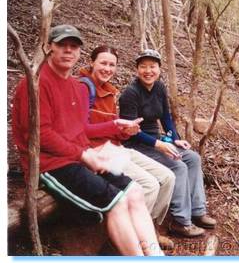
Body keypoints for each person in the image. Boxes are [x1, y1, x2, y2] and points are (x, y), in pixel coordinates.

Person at [11, 25, 164, 255]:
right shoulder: (34, 84)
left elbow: (80, 128)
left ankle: (155, 254)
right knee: (117, 202)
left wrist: (115, 126)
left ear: (80, 52)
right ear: (49, 47)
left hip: (77, 158)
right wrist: (84, 155)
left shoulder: (76, 87)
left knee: (135, 192)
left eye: (74, 46)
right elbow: (41, 135)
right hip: (50, 165)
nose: (68, 51)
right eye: (62, 45)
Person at [79, 45, 176, 249]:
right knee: (149, 185)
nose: (107, 68)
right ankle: (133, 239)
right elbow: (80, 130)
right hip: (97, 152)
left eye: (112, 64)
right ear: (92, 62)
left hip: (116, 147)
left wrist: (126, 131)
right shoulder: (84, 88)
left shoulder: (109, 91)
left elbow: (115, 129)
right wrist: (115, 126)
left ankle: (150, 228)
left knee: (168, 178)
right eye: (103, 63)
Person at [119, 49, 216, 237]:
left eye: (152, 66)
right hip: (137, 145)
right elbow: (131, 132)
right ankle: (181, 221)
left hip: (158, 141)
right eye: (143, 66)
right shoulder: (130, 94)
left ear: (159, 69)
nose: (148, 71)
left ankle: (197, 210)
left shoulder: (159, 88)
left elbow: (166, 118)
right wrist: (159, 145)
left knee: (193, 158)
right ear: (137, 70)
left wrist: (174, 138)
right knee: (178, 166)